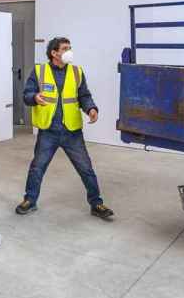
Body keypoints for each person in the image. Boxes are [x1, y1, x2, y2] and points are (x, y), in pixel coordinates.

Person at [16, 37, 114, 221]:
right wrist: (35, 97)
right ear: (54, 53)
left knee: (86, 169)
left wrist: (91, 109)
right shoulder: (40, 71)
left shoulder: (77, 72)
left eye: (70, 47)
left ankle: (96, 203)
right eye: (65, 48)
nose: (69, 51)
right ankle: (30, 200)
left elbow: (84, 95)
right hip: (49, 131)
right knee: (37, 168)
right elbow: (27, 95)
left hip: (72, 132)